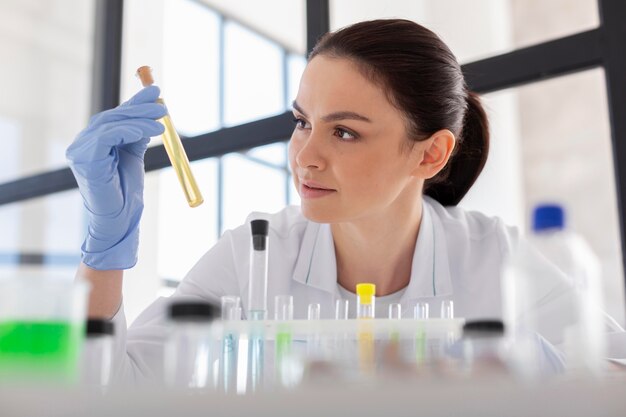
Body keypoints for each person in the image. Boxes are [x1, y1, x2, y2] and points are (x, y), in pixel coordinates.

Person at [66, 19, 557, 383]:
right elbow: (109, 394)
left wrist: (508, 363)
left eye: (344, 131)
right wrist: (104, 252)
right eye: (302, 122)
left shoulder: (494, 255)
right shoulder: (255, 252)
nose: (306, 156)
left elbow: (612, 369)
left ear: (430, 154)